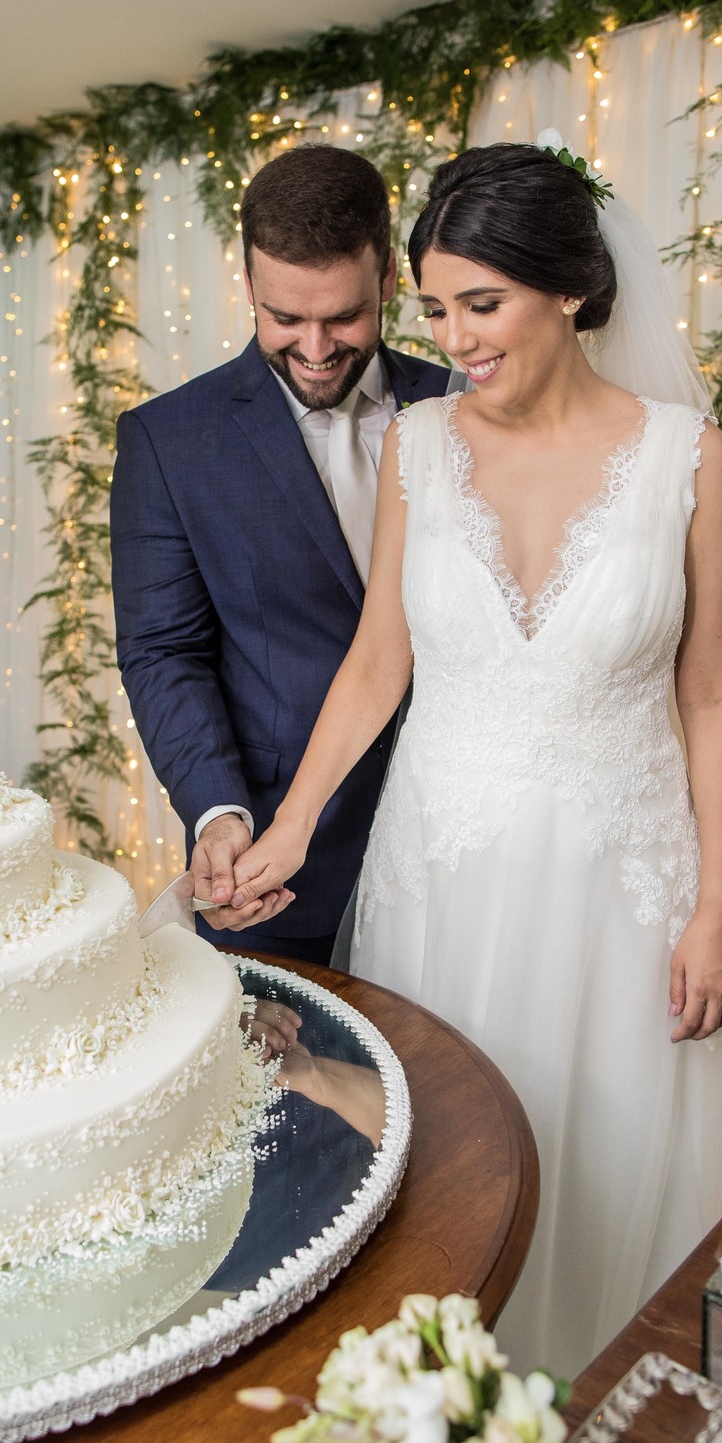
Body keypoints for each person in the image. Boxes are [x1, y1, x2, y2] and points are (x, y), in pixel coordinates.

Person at [224, 142, 722, 1376]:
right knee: (441, 1188)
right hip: (439, 879)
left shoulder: (689, 458)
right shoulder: (419, 443)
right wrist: (292, 828)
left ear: (569, 287)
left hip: (619, 893)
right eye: (435, 309)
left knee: (606, 1177)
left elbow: (717, 691)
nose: (455, 338)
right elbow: (376, 664)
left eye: (483, 304)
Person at [110, 145, 450, 965]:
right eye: (284, 318)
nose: (316, 347)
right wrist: (218, 814)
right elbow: (164, 652)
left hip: (465, 851)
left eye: (344, 317)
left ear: (390, 286)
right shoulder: (168, 442)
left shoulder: (463, 403)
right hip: (281, 864)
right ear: (249, 286)